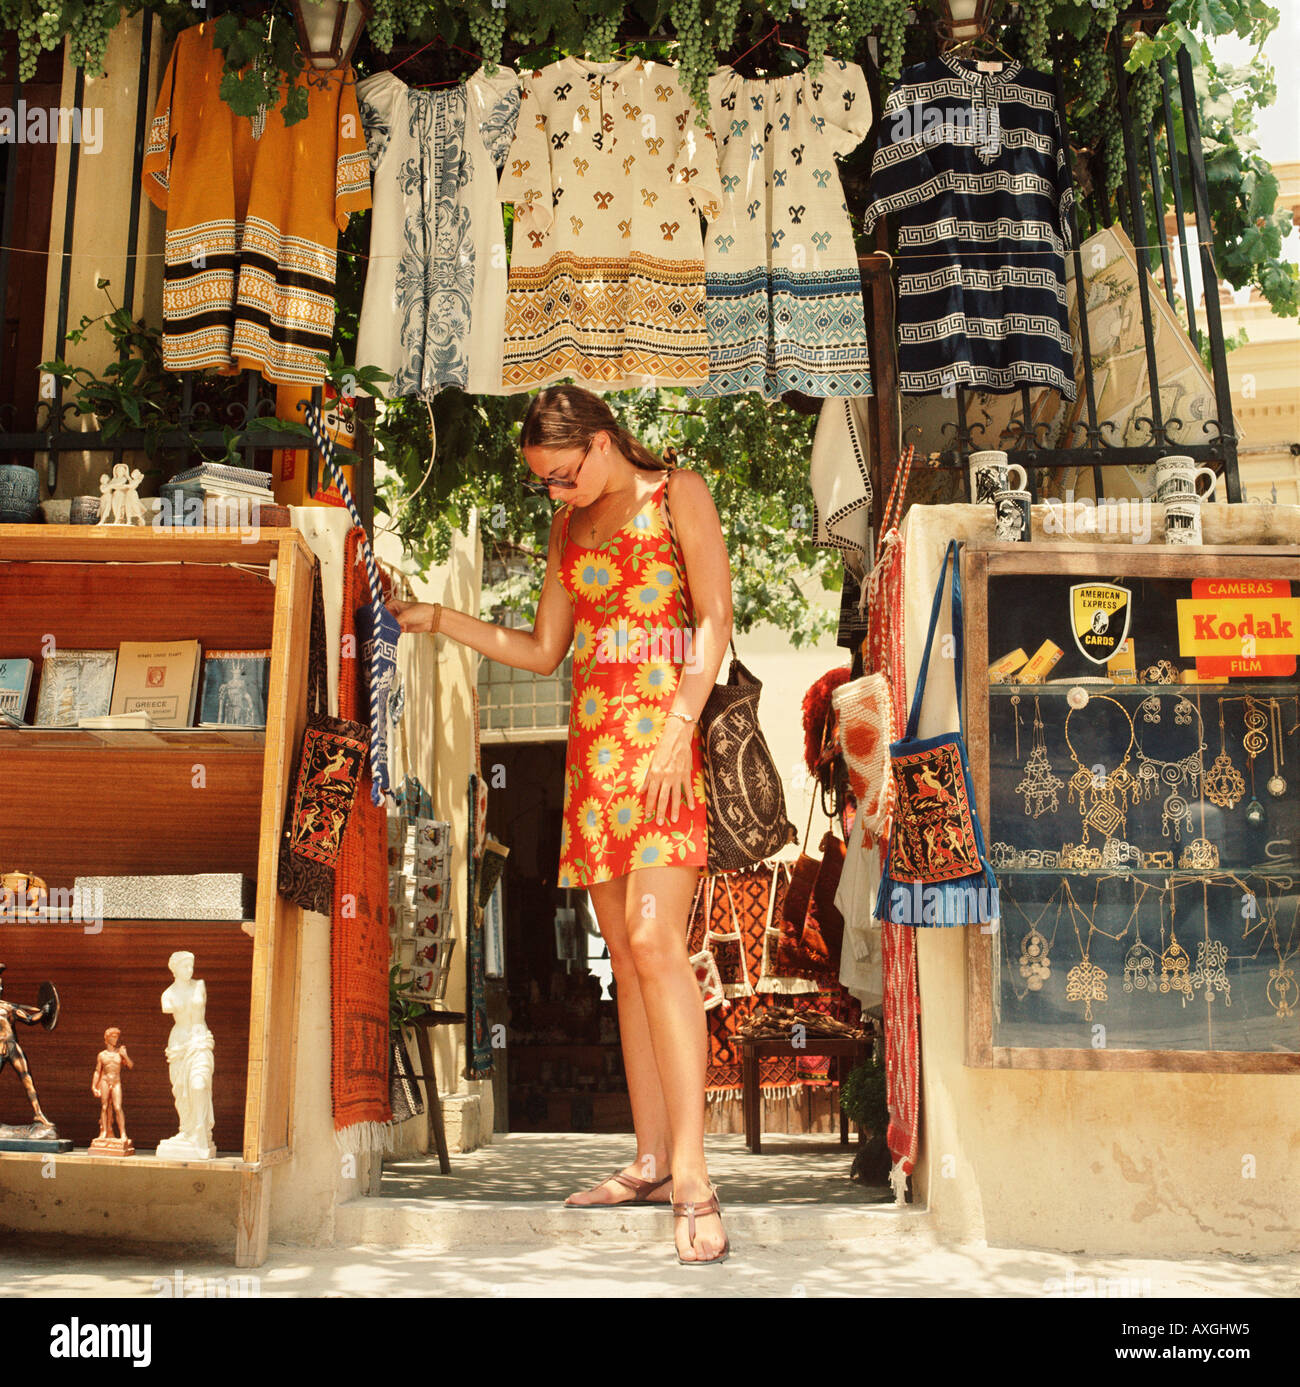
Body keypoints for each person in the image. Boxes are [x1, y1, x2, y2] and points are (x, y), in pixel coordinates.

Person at [387, 384, 734, 1264]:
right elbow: (543, 651)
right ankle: (650, 1157)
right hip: (596, 761)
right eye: (545, 483)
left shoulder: (678, 492)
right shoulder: (565, 530)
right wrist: (438, 619)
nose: (556, 494)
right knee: (625, 958)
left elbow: (713, 621)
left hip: (665, 750)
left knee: (658, 941)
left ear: (604, 439)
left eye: (563, 476)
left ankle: (694, 1175)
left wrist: (679, 730)